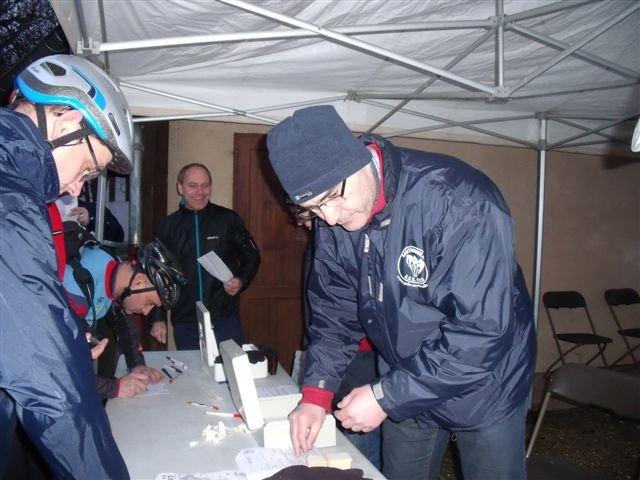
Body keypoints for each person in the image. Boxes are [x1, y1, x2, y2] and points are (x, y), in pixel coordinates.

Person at [267, 106, 536, 480]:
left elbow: (482, 332)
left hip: (487, 386)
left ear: (359, 160)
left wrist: (386, 396)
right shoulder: (333, 216)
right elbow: (333, 314)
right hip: (404, 377)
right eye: (312, 209)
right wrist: (316, 394)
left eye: (331, 198)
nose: (329, 218)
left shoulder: (460, 201)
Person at [0, 54, 133, 479]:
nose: (76, 187)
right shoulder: (10, 202)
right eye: (89, 169)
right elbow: (53, 389)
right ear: (67, 123)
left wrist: (65, 335)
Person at [288, 203, 382, 470]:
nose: (309, 224)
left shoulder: (358, 240)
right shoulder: (319, 246)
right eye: (304, 219)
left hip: (361, 357)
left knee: (361, 445)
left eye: (309, 217)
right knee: (343, 438)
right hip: (332, 354)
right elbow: (322, 309)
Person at [150, 163, 261, 349]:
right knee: (194, 368)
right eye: (193, 185)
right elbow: (158, 275)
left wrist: (241, 280)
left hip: (225, 318)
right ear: (180, 188)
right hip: (186, 322)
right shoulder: (167, 227)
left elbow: (252, 255)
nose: (200, 192)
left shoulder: (228, 219)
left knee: (233, 366)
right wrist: (157, 318)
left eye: (205, 185)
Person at [61, 237, 187, 399]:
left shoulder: (114, 269)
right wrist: (115, 388)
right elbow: (58, 370)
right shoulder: (76, 291)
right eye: (150, 303)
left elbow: (122, 318)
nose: (146, 312)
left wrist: (137, 364)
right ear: (139, 282)